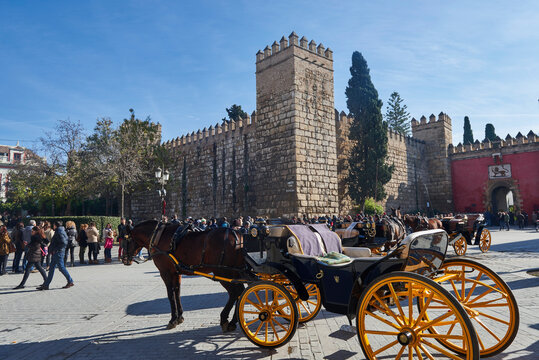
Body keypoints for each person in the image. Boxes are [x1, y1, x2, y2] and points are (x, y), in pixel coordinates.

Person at [38, 221, 74, 290]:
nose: (52, 226)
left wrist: (56, 249)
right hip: (56, 252)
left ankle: (70, 281)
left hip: (58, 253)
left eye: (53, 225)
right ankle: (46, 285)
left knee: (61, 268)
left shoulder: (59, 232)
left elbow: (63, 242)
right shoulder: (59, 231)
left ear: (55, 225)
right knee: (51, 269)